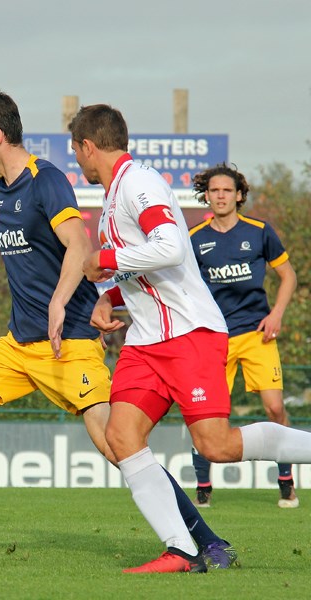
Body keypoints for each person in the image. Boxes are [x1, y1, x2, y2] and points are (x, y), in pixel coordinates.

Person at [0, 90, 237, 571]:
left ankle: (210, 541)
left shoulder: (45, 180)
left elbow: (78, 242)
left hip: (68, 345)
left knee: (122, 447)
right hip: (18, 346)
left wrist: (59, 302)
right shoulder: (0, 191)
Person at [74, 103, 311, 573]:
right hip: (146, 341)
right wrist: (110, 299)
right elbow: (146, 268)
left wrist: (103, 258)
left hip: (189, 334)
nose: (78, 162)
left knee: (216, 447)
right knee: (122, 437)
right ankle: (181, 550)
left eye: (77, 152)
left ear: (88, 146)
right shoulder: (117, 190)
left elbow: (169, 248)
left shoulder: (137, 182)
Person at [188, 164, 298, 509]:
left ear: (238, 196)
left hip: (257, 335)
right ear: (206, 195)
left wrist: (276, 314)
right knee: (209, 417)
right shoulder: (195, 239)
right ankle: (203, 486)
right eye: (214, 190)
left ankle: (286, 480)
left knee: (275, 408)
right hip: (214, 339)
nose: (220, 196)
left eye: (226, 190)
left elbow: (288, 276)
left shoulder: (260, 232)